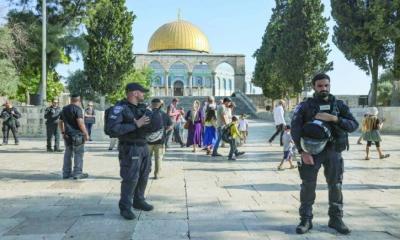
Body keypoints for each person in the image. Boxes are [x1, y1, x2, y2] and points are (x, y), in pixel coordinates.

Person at [291, 73, 359, 235]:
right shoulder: (305, 106)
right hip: (311, 152)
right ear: (314, 87)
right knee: (308, 185)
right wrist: (302, 152)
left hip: (334, 151)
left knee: (335, 185)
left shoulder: (339, 105)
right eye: (320, 86)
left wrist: (334, 119)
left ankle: (335, 219)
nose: (324, 88)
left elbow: (353, 125)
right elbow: (295, 128)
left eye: (326, 85)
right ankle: (306, 219)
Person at [106, 83, 154, 220]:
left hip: (144, 145)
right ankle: (125, 207)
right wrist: (135, 124)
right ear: (134, 93)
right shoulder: (119, 108)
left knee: (144, 174)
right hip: (129, 147)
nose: (144, 94)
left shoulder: (141, 108)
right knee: (130, 177)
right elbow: (112, 129)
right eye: (142, 92)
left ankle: (138, 200)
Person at [59, 95, 90, 180]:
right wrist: (86, 134)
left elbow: (60, 122)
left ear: (71, 100)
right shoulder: (77, 109)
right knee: (78, 154)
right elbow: (80, 123)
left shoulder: (64, 109)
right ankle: (77, 173)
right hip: (77, 136)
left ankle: (66, 173)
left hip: (67, 135)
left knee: (67, 154)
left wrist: (62, 132)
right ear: (79, 100)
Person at [147, 98, 173, 179]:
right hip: (160, 141)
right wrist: (164, 130)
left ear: (152, 104)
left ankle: (146, 172)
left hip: (148, 141)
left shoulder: (147, 114)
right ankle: (157, 174)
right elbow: (170, 126)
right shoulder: (164, 115)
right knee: (158, 158)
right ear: (159, 105)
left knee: (147, 158)